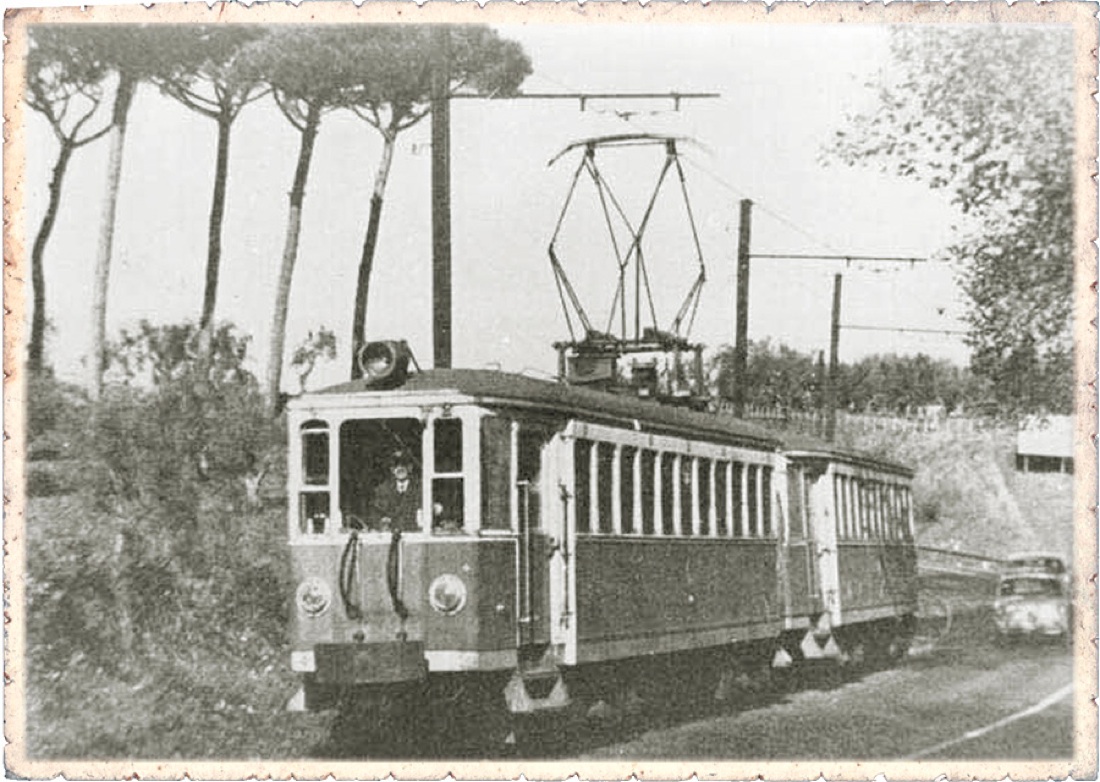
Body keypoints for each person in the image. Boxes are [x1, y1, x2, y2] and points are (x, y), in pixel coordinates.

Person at [368, 451, 422, 532]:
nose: (400, 468)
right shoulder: (382, 489)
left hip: (415, 534)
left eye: (404, 464)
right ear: (391, 469)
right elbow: (376, 515)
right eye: (395, 465)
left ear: (410, 467)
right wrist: (381, 522)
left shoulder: (421, 488)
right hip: (390, 535)